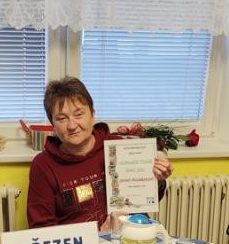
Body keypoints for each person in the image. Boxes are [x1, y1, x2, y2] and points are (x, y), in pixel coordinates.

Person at [27, 77, 173, 228]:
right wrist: (97, 233)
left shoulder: (118, 149)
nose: (71, 125)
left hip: (124, 236)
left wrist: (157, 179)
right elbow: (41, 228)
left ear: (92, 114)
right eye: (62, 118)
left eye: (79, 114)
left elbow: (141, 202)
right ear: (53, 124)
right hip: (78, 242)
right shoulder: (43, 165)